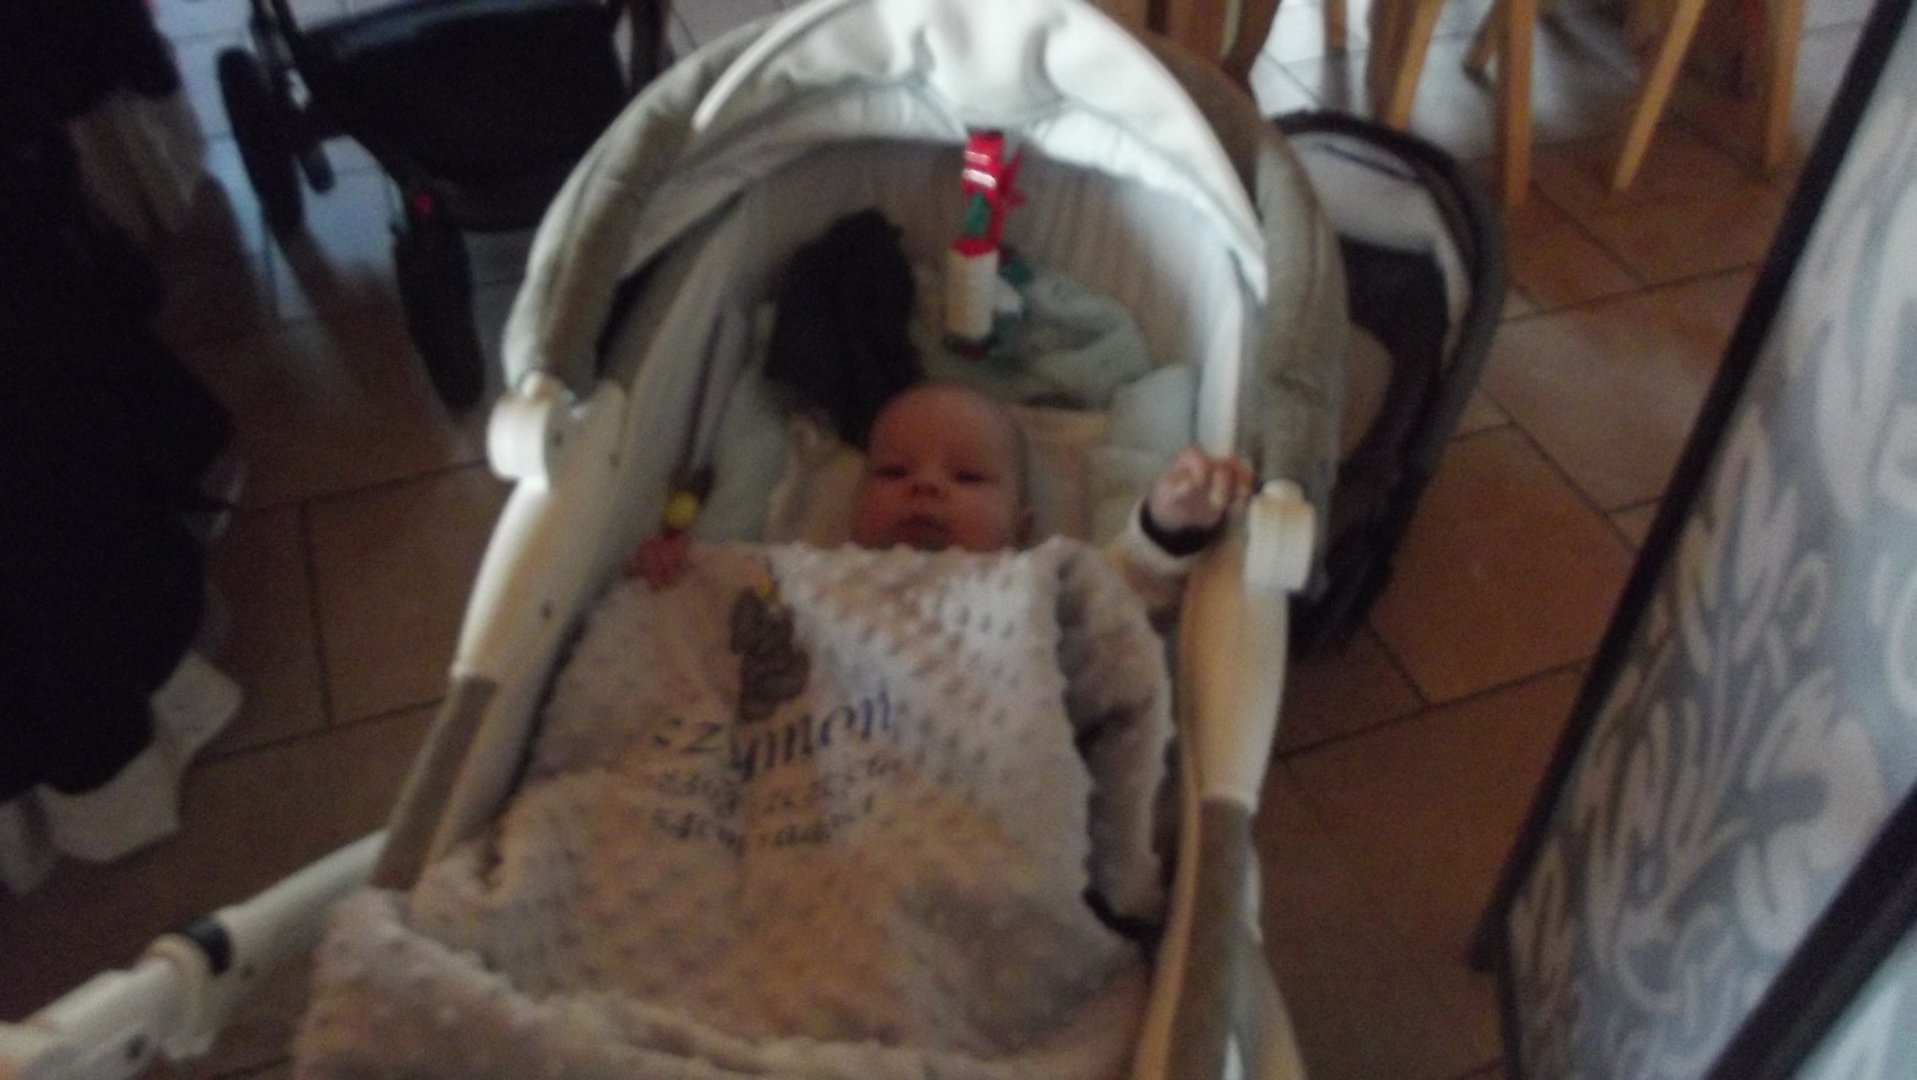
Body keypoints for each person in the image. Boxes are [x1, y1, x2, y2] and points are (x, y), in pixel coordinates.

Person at [627, 381, 1253, 605]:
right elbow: (727, 624)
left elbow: (1124, 593)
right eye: (893, 473)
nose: (924, 485)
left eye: (968, 478)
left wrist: (1169, 520)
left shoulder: (1033, 585)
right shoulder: (807, 570)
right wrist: (679, 579)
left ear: (1020, 528)